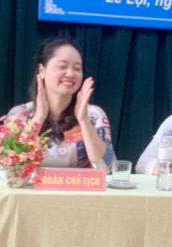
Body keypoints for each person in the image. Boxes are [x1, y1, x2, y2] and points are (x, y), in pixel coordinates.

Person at [7, 37, 114, 169]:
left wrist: (84, 121)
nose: (70, 73)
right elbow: (9, 166)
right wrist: (39, 118)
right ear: (42, 71)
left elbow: (107, 167)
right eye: (62, 66)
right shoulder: (20, 114)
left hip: (78, 183)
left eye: (77, 68)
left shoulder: (93, 114)